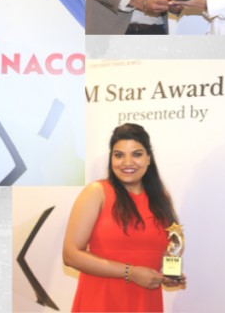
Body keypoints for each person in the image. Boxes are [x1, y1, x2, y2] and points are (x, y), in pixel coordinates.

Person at [63, 124, 185, 312]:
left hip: (145, 302)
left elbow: (167, 248)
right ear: (111, 158)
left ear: (148, 158)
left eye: (136, 154)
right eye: (119, 155)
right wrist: (131, 273)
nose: (127, 162)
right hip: (101, 301)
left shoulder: (160, 198)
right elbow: (70, 255)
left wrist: (169, 275)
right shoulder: (97, 192)